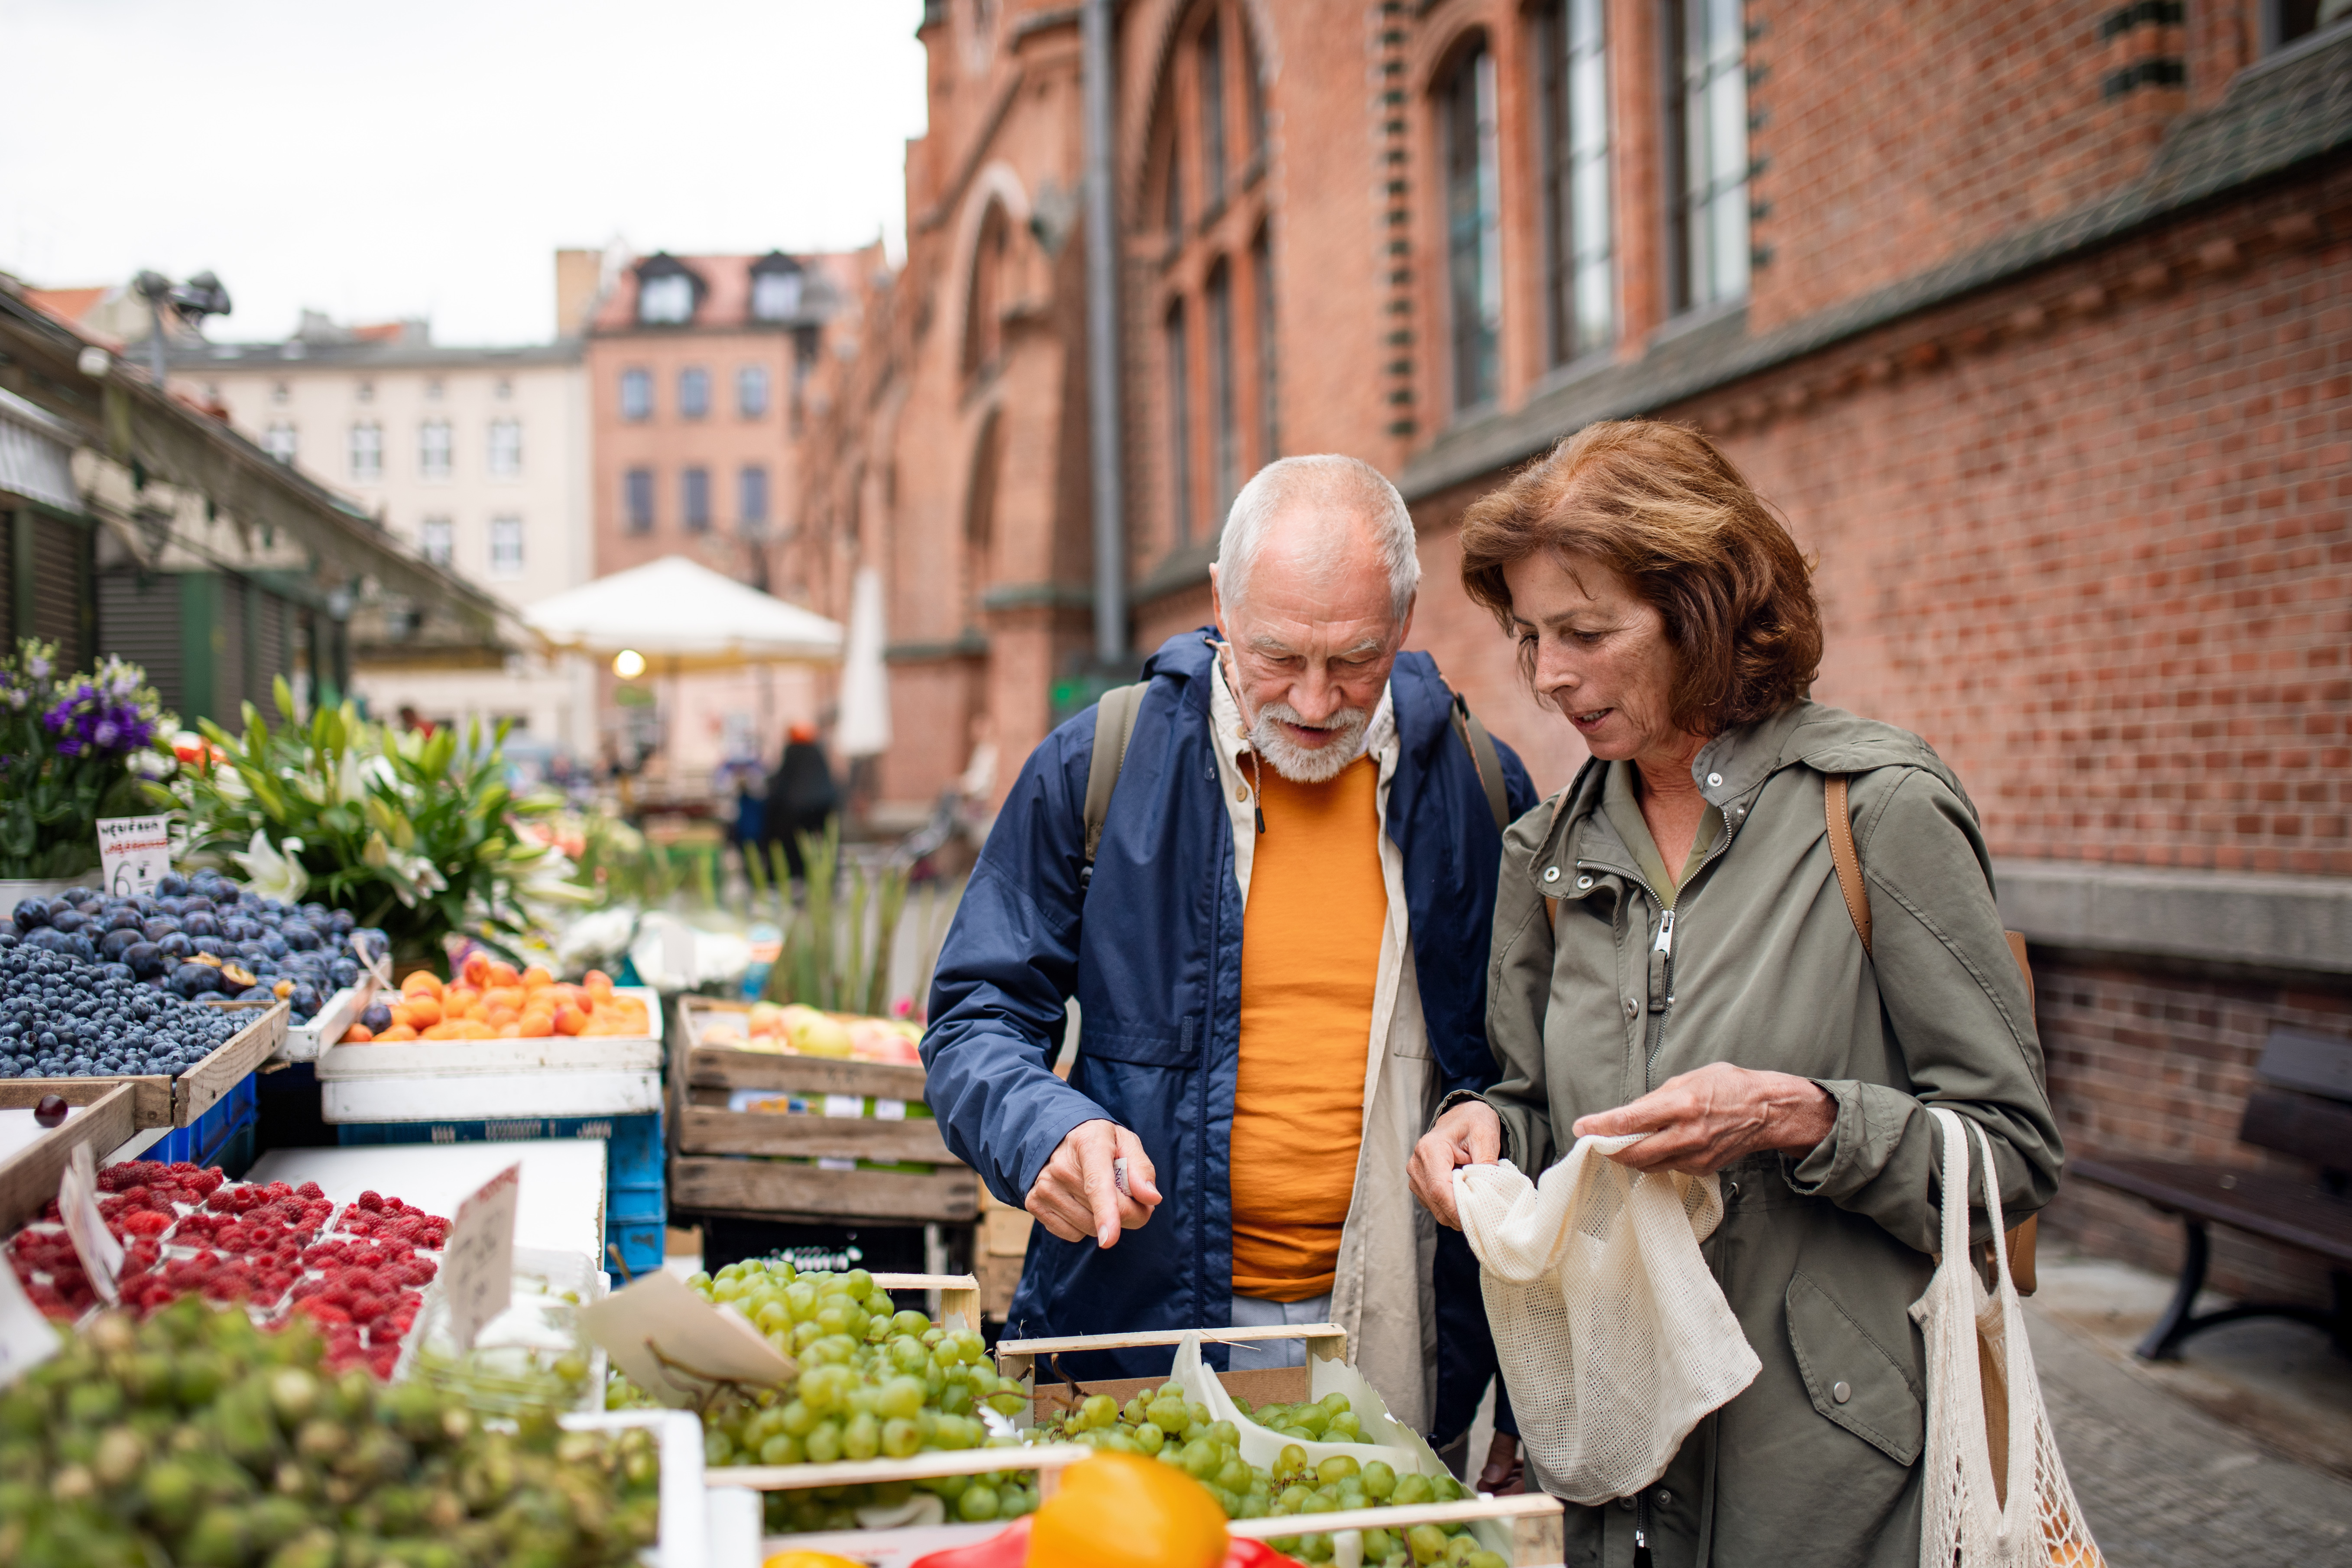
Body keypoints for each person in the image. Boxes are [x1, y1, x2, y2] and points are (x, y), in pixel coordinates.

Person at [1407, 421, 2063, 1566]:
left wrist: (1798, 1116)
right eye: (1530, 635)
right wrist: (1484, 1135)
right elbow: (1538, 1107)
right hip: (1615, 1476)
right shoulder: (1543, 859)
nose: (1549, 674)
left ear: (1702, 611)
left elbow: (2006, 1161)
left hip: (1833, 1481)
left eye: (1587, 631)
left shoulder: (1876, 811)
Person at [923, 455, 1538, 1443]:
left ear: (1406, 622)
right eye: (1275, 655)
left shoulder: (1480, 786)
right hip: (1141, 1331)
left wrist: (1486, 1113)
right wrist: (1040, 1127)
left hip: (1400, 1340)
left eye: (1353, 661)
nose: (1311, 700)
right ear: (1220, 600)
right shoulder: (1096, 765)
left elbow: (1528, 1062)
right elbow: (973, 1019)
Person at [762, 721, 838, 879]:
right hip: (824, 805)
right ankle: (824, 875)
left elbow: (782, 782)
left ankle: (794, 873)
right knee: (823, 844)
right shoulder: (816, 752)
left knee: (791, 840)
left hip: (799, 808)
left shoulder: (793, 751)